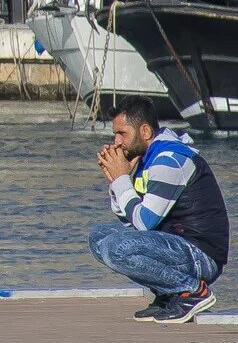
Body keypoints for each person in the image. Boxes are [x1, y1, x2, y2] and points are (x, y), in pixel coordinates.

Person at [89, 97, 228, 322]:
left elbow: (144, 224)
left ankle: (192, 291)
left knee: (116, 247)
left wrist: (122, 179)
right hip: (174, 247)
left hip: (200, 256)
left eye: (122, 134)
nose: (116, 142)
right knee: (98, 237)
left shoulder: (169, 160)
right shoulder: (148, 159)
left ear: (144, 131)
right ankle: (168, 294)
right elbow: (132, 223)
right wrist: (116, 182)